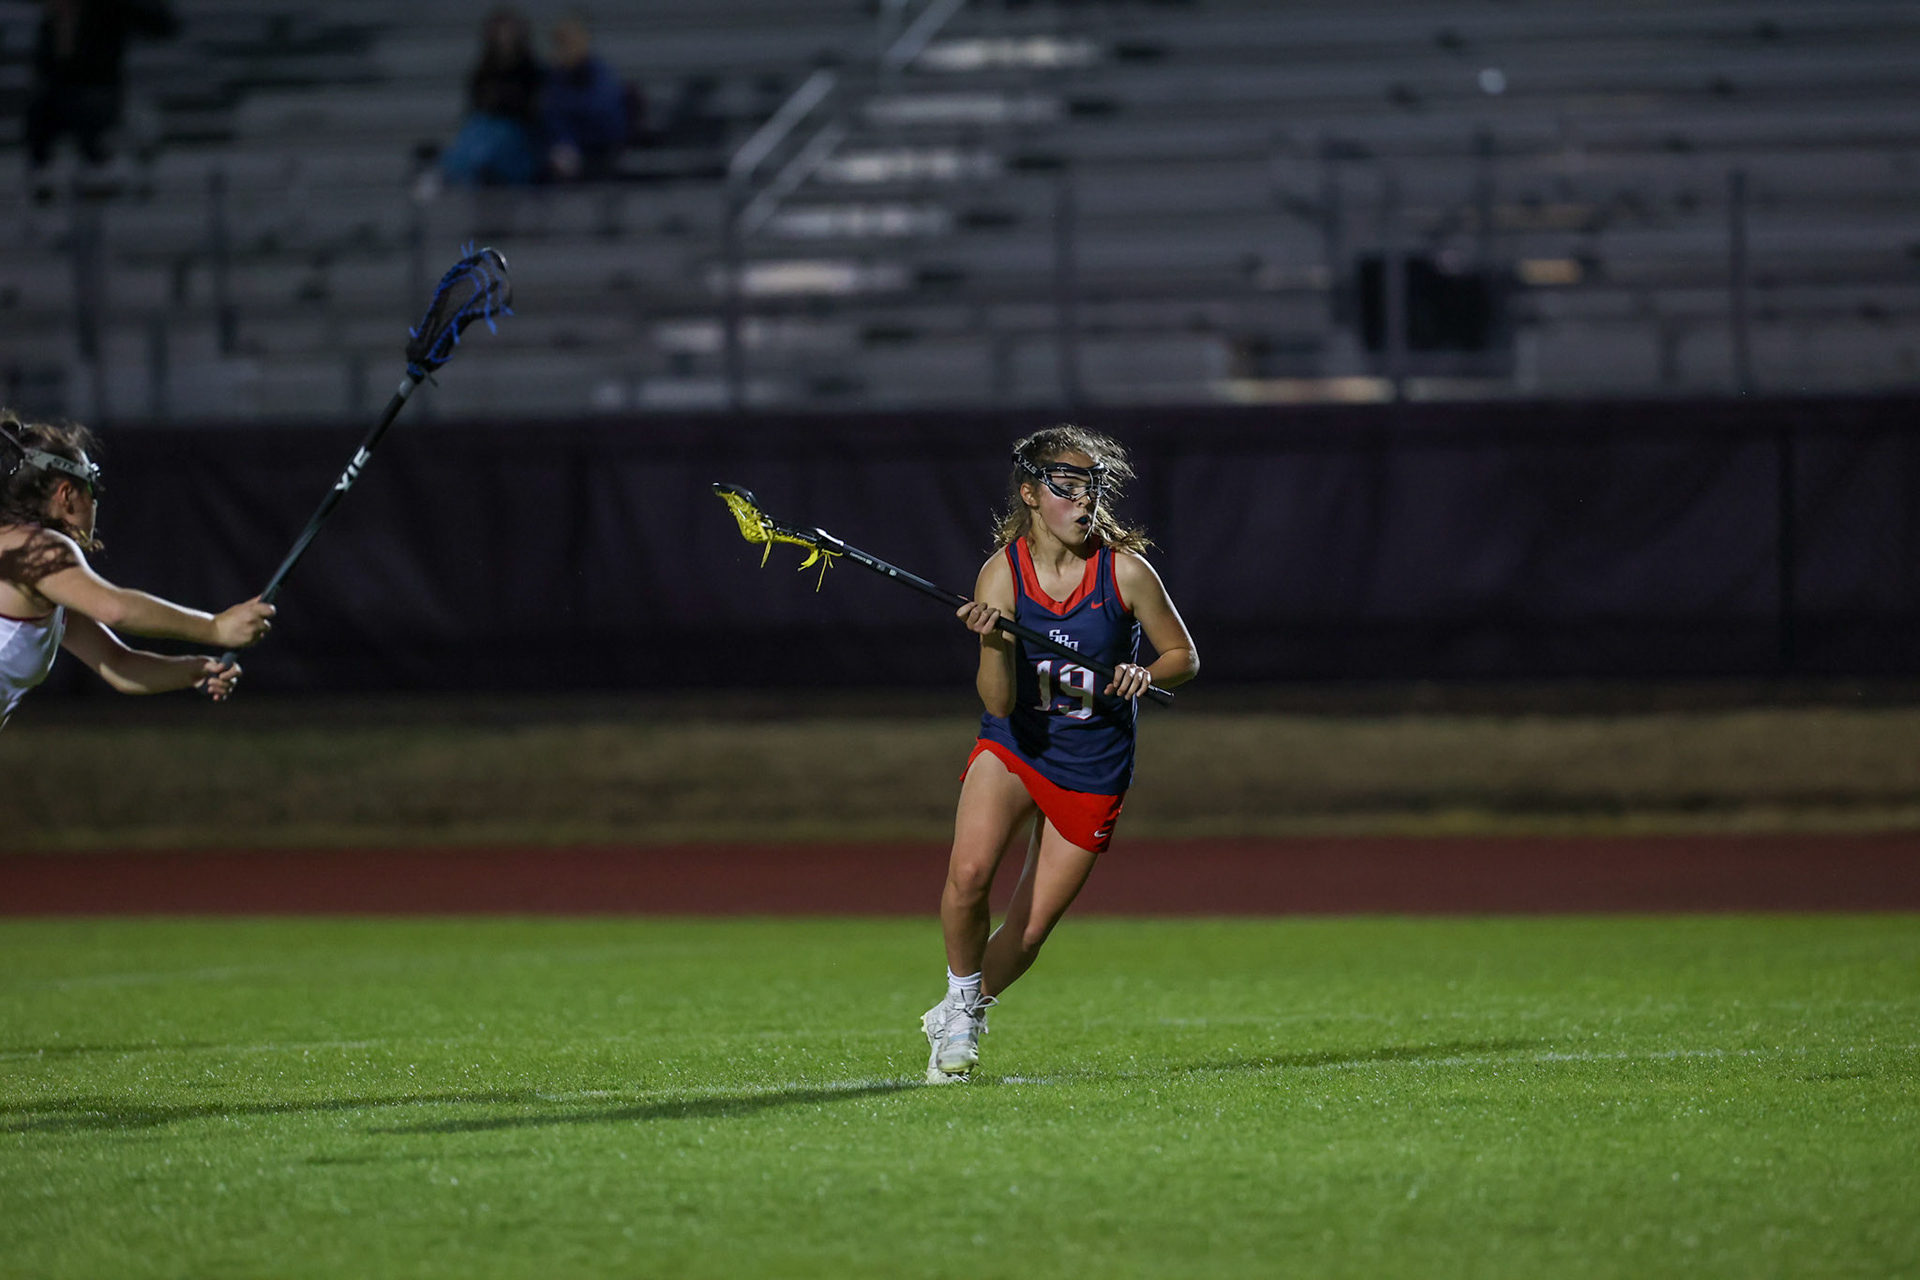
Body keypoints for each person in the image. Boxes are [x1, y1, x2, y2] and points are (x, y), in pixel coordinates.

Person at [922, 425, 1199, 1083]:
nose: (1084, 502)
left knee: (1027, 934)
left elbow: (1183, 655)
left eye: (1092, 488)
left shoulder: (1124, 571)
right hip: (1017, 745)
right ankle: (961, 1007)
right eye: (1067, 488)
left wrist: (1145, 673)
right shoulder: (1002, 573)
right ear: (1031, 494)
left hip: (1094, 764)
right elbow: (997, 703)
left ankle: (962, 1009)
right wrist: (991, 643)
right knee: (969, 873)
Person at [0, 413, 274, 728]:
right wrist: (215, 627)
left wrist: (195, 670)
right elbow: (114, 609)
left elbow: (119, 666)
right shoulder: (40, 547)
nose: (95, 502)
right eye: (92, 488)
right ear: (65, 494)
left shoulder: (32, 567)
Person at [25, 0, 178, 201]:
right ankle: (44, 171)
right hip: (63, 95)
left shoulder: (108, 12)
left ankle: (96, 163)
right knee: (42, 109)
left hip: (99, 92)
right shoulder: (52, 23)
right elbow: (46, 66)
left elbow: (161, 25)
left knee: (86, 106)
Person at [438, 6, 545, 188]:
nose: (504, 38)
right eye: (500, 33)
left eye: (508, 32)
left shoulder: (530, 69)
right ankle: (451, 172)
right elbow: (475, 103)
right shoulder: (483, 69)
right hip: (486, 125)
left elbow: (532, 107)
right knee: (475, 133)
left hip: (517, 130)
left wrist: (505, 100)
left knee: (488, 144)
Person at [541, 9, 627, 181]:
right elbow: (550, 112)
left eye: (571, 39)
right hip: (568, 149)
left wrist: (563, 102)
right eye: (561, 41)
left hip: (601, 146)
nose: (567, 46)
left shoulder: (600, 72)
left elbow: (600, 108)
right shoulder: (556, 76)